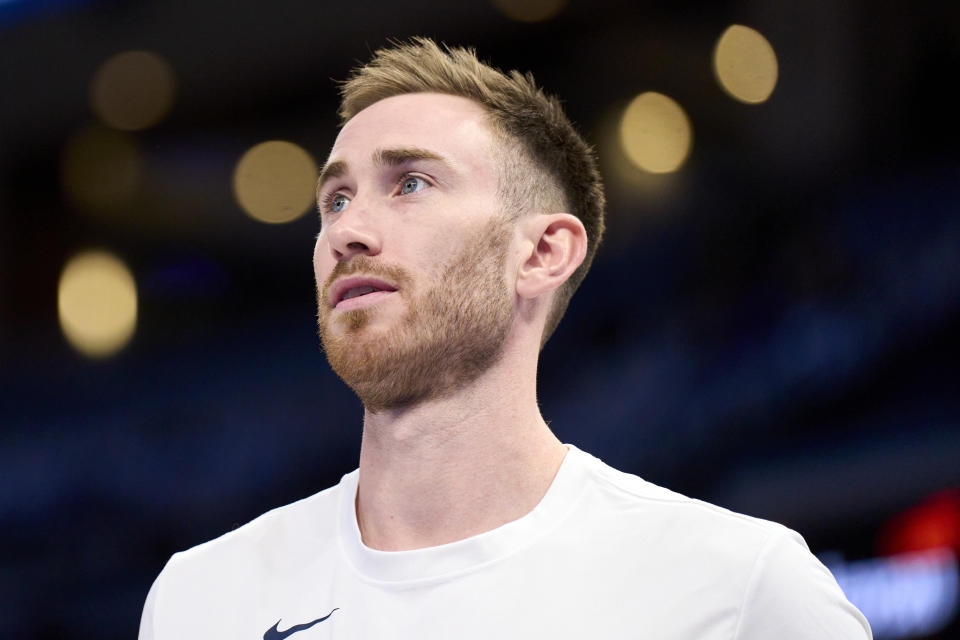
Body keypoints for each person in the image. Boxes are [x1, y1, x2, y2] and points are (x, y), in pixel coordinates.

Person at [139, 38, 871, 639]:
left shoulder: (740, 587)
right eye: (336, 198)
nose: (347, 231)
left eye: (411, 184)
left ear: (543, 253)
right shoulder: (201, 600)